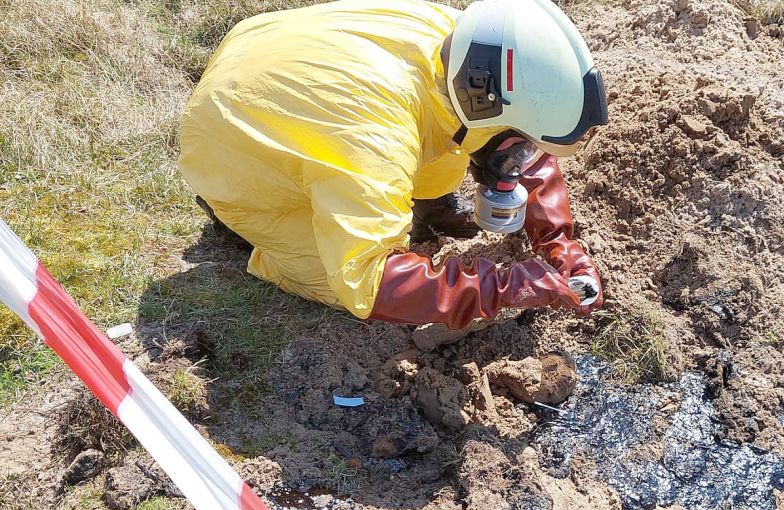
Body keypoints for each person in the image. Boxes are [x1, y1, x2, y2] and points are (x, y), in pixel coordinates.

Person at [178, 0, 608, 330]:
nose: (521, 163)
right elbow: (368, 280)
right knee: (338, 278)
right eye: (521, 150)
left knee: (447, 132)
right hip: (227, 138)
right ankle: (242, 220)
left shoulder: (468, 44)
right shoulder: (375, 137)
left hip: (268, 51)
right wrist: (502, 287)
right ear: (484, 102)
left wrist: (557, 241)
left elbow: (507, 124)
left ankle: (426, 202)